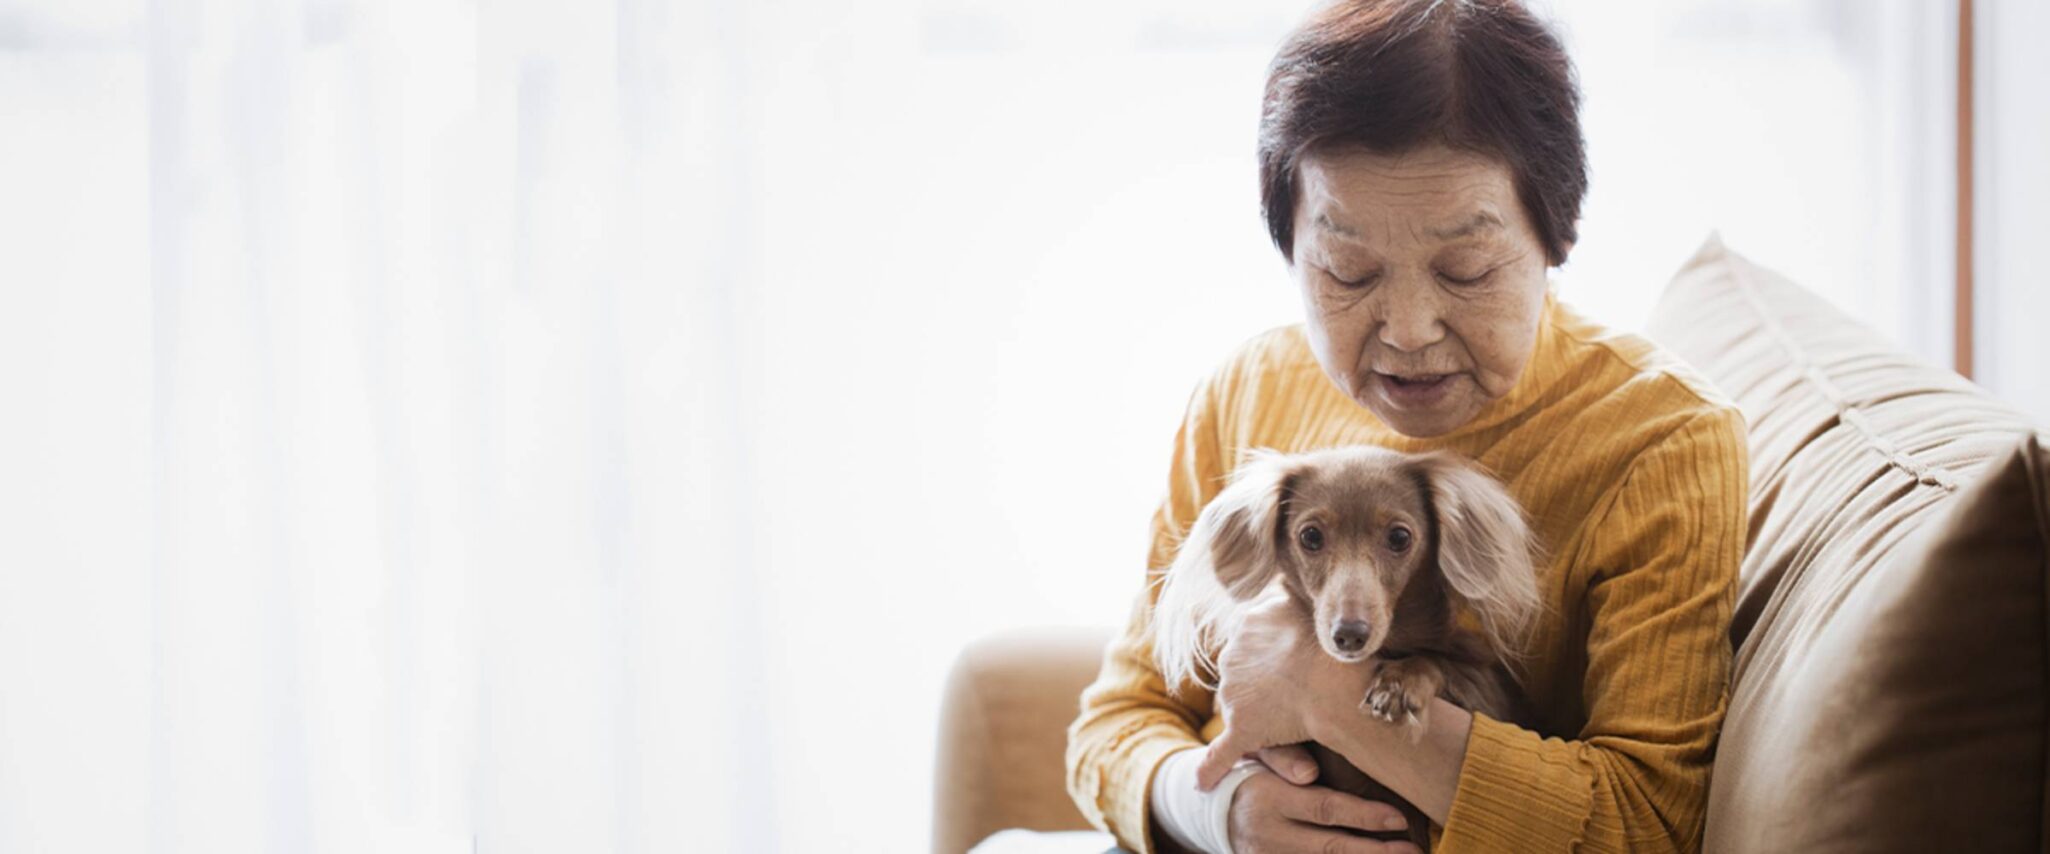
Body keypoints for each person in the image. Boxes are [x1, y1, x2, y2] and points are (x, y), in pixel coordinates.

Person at [1062, 1, 1747, 852]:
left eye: (1466, 269)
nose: (1409, 330)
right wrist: (1223, 812)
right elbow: (1119, 724)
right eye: (1347, 271)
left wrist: (1328, 696)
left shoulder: (1663, 442)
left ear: (1556, 234)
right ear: (1290, 249)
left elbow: (1646, 824)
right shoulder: (1247, 392)